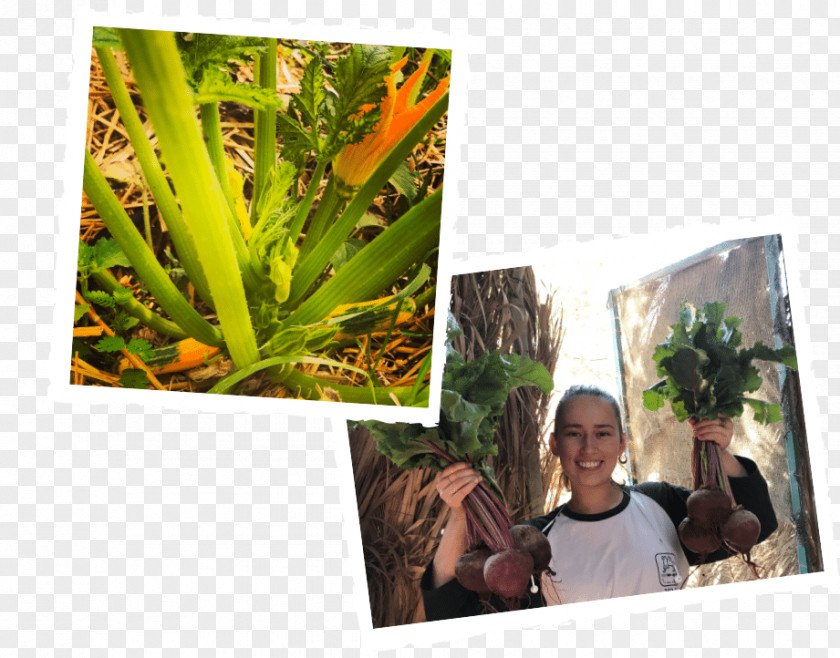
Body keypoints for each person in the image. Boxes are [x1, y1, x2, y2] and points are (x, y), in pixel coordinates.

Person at [420, 384, 778, 620]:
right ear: (554, 444)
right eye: (574, 434)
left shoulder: (661, 504)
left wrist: (719, 447)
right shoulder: (532, 542)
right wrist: (459, 514)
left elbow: (758, 520)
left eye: (602, 434)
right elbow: (449, 612)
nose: (589, 448)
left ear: (622, 443)